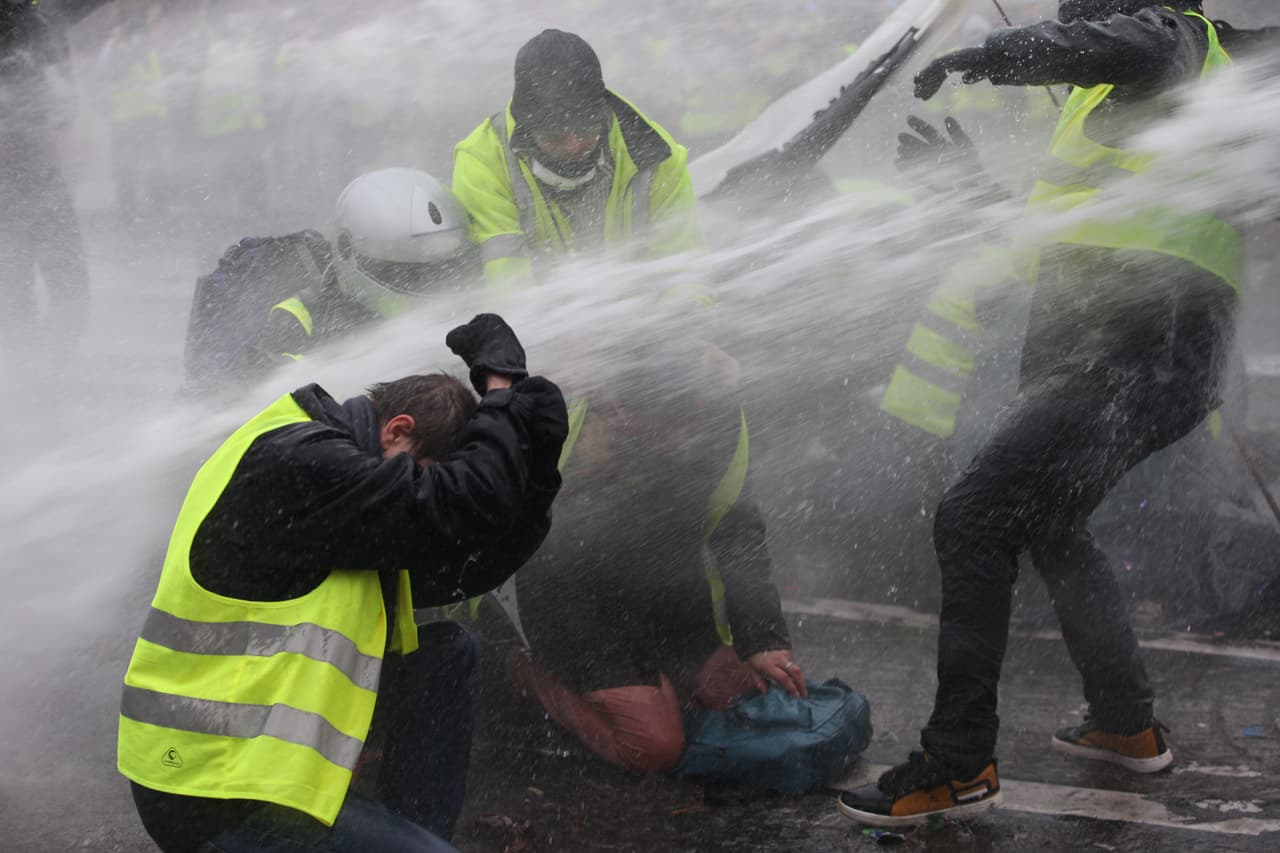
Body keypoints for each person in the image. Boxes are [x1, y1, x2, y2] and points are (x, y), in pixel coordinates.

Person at [838, 0, 1242, 826]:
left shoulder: (1176, 40)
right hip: (1134, 357)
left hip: (1142, 350)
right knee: (1051, 520)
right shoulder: (1113, 97)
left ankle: (959, 761)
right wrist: (970, 187)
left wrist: (984, 55)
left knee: (971, 516)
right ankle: (1125, 722)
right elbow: (1049, 245)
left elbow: (1129, 39)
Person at [118, 314, 569, 852]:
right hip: (207, 789)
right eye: (427, 472)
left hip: (250, 757)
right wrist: (500, 391)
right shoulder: (301, 460)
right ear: (397, 431)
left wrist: (538, 472)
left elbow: (467, 556)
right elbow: (458, 505)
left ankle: (413, 837)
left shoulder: (350, 496)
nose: (421, 489)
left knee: (449, 653)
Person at [507, 339, 807, 774]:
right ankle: (520, 665)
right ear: (614, 402)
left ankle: (655, 680)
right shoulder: (561, 414)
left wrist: (762, 639)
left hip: (666, 593)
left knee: (739, 699)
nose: (672, 441)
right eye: (655, 429)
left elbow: (738, 531)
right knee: (654, 747)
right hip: (570, 602)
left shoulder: (716, 419)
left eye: (679, 428)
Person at [184, 168, 474, 393]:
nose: (428, 284)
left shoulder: (460, 313)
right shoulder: (298, 320)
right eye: (408, 273)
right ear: (349, 253)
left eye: (441, 270)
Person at [451, 28, 701, 285]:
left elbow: (683, 273)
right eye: (555, 134)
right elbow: (508, 286)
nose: (574, 145)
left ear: (604, 113)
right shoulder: (482, 164)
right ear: (525, 127)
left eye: (585, 127)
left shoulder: (655, 156)